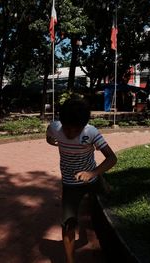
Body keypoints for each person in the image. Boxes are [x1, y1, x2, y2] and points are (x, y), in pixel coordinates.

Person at [46, 98, 117, 263]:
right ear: (61, 122)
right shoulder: (55, 127)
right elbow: (49, 134)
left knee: (108, 195)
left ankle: (104, 184)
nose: (70, 133)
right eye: (67, 129)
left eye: (75, 130)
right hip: (70, 184)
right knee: (68, 223)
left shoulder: (91, 132)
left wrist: (93, 173)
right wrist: (49, 140)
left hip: (92, 178)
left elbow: (112, 158)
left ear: (84, 125)